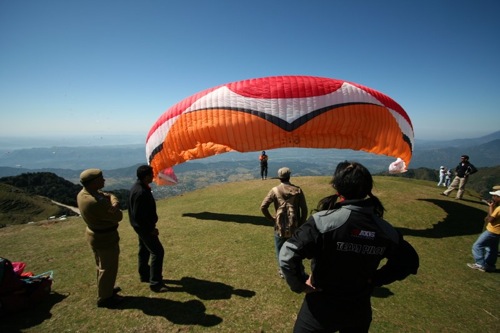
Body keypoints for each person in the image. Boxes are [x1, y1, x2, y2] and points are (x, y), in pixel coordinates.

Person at [279, 161, 419, 333]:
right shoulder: (385, 230)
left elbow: (288, 254)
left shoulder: (322, 222)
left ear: (338, 189)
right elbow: (409, 260)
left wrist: (300, 284)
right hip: (358, 310)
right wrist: (376, 279)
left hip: (320, 308)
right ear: (368, 189)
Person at [77, 168, 124, 308]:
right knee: (108, 267)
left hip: (95, 235)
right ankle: (105, 298)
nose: (104, 180)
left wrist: (114, 202)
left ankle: (106, 289)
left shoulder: (85, 194)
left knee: (101, 266)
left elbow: (109, 195)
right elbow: (118, 216)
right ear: (93, 182)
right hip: (105, 238)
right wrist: (115, 204)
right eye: (101, 179)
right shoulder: (94, 202)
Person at [260, 167, 308, 278]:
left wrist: (272, 219)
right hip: (295, 226)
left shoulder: (274, 190)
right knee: (296, 250)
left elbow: (263, 207)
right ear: (289, 176)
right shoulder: (298, 190)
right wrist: (301, 223)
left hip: (279, 226)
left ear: (279, 178)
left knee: (280, 250)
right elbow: (304, 209)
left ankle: (283, 271)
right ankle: (298, 270)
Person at [128, 165, 168, 292]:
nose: (153, 176)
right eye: (151, 174)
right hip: (144, 228)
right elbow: (139, 216)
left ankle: (144, 275)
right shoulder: (141, 192)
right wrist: (150, 229)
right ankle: (155, 283)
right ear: (146, 176)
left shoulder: (138, 187)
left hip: (140, 227)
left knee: (144, 250)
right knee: (157, 252)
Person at [467, 189, 500, 272]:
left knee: (477, 246)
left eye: (495, 196)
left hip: (492, 231)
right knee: (492, 249)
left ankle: (480, 264)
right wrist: (492, 207)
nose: (493, 197)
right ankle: (490, 265)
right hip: (498, 232)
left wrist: (490, 208)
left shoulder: (499, 209)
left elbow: (490, 219)